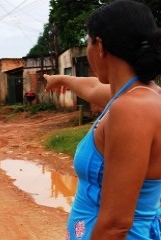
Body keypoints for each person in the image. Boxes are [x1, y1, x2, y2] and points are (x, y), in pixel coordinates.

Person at [44, 1, 161, 239]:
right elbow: (91, 86)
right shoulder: (136, 94)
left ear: (99, 45)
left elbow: (116, 225)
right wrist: (62, 79)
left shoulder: (131, 109)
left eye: (87, 43)